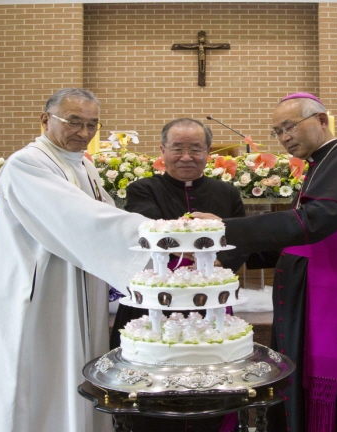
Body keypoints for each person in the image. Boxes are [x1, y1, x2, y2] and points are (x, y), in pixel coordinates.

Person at [195, 93, 337, 432]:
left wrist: (224, 228)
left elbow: (314, 222)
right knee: (299, 367)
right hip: (309, 287)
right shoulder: (321, 164)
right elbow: (295, 238)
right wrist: (219, 255)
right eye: (277, 131)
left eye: (289, 127)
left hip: (336, 289)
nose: (284, 137)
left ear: (321, 120)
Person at [0, 88, 150, 432]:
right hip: (41, 292)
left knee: (78, 365)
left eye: (92, 124)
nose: (84, 133)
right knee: (40, 372)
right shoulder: (27, 163)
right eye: (74, 122)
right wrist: (157, 234)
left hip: (79, 287)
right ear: (45, 120)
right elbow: (80, 218)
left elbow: (104, 217)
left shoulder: (84, 166)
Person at [109, 118, 246, 432]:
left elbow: (240, 242)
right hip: (154, 300)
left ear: (208, 152)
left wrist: (219, 260)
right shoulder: (142, 189)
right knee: (154, 382)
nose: (187, 157)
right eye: (177, 149)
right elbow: (149, 226)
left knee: (211, 381)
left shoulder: (226, 192)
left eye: (196, 149)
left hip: (209, 297)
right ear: (162, 150)